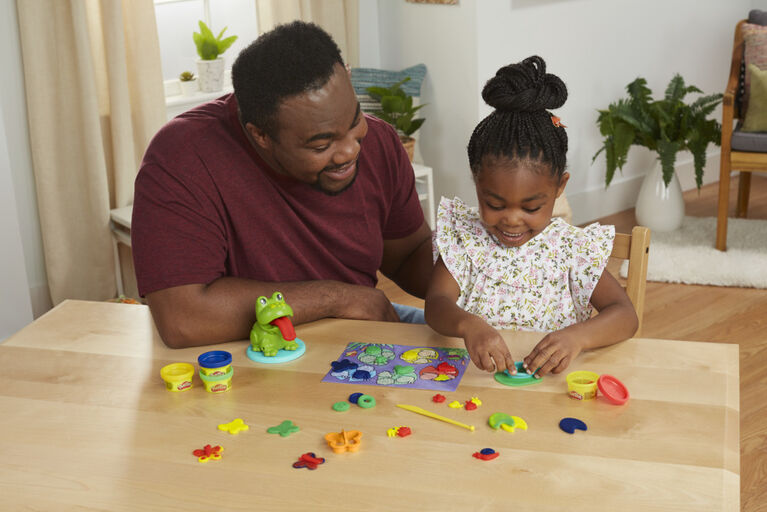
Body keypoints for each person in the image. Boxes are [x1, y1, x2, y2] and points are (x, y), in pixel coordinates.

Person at [131, 21, 432, 348]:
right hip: (248, 353)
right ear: (260, 134)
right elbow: (184, 319)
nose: (350, 150)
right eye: (321, 145)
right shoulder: (182, 158)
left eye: (354, 121)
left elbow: (407, 254)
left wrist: (479, 270)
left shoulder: (380, 141)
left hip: (355, 338)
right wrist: (338, 298)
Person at [424, 56, 638, 377]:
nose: (511, 219)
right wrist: (468, 325)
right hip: (475, 388)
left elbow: (625, 315)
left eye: (531, 207)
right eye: (495, 204)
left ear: (558, 189)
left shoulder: (570, 249)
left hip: (551, 392)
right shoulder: (465, 238)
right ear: (476, 181)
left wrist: (577, 337)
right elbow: (436, 302)